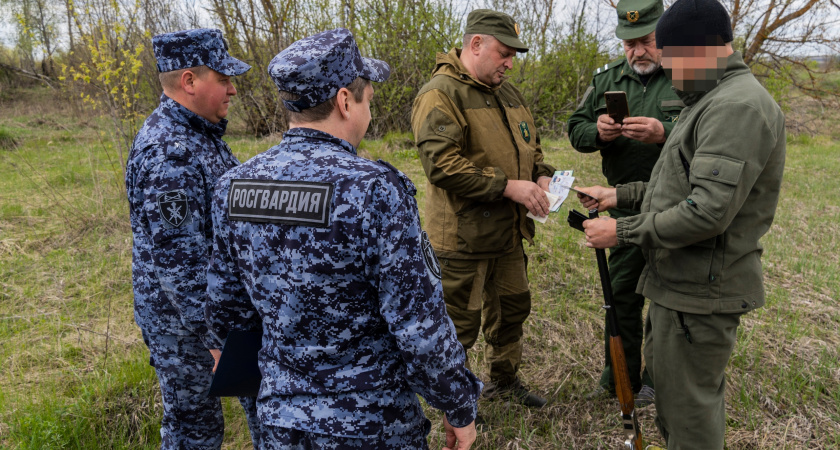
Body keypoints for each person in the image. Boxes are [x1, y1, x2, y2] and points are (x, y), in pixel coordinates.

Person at [204, 28, 482, 450]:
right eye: (368, 97)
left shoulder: (234, 186)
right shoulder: (375, 190)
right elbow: (419, 324)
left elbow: (226, 308)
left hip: (281, 423)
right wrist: (458, 405)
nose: (369, 108)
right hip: (371, 425)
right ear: (344, 100)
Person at [576, 0, 785, 447]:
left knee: (689, 416)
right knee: (673, 402)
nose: (667, 70)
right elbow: (677, 185)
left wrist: (622, 231)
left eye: (670, 56)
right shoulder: (710, 98)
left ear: (700, 49)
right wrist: (619, 196)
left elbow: (707, 211)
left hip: (700, 291)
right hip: (679, 283)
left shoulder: (736, 107)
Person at [411, 9, 555, 409]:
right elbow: (442, 164)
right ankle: (451, 404)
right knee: (457, 326)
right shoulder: (440, 93)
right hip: (462, 240)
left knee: (512, 310)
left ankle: (505, 383)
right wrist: (509, 186)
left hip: (508, 234)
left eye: (514, 55)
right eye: (504, 53)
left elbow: (533, 146)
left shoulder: (508, 91)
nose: (510, 63)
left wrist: (541, 175)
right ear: (476, 44)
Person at [125, 28, 262, 448]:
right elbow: (181, 265)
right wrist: (217, 338)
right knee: (194, 430)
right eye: (223, 79)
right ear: (189, 82)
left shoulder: (199, 135)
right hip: (184, 327)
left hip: (211, 316)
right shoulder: (170, 153)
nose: (233, 89)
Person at [567, 0, 684, 406]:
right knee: (621, 294)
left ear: (664, 36)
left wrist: (663, 132)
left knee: (671, 298)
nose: (638, 51)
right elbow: (576, 130)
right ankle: (619, 377)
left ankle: (660, 380)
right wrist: (598, 132)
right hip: (622, 205)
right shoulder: (607, 79)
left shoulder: (688, 76)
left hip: (678, 206)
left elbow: (707, 131)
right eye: (629, 44)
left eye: (647, 41)